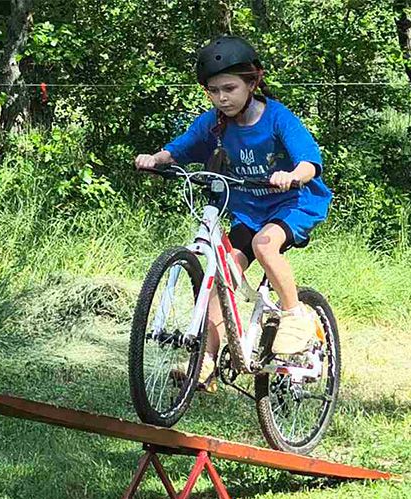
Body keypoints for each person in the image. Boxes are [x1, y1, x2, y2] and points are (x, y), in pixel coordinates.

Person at [134, 35, 332, 391]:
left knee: (264, 244)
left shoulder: (277, 118)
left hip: (294, 204)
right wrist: (156, 159)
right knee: (220, 272)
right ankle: (206, 360)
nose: (221, 98)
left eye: (229, 88)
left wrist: (292, 175)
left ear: (252, 83)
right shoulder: (213, 123)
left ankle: (294, 315)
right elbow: (179, 149)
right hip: (249, 212)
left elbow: (309, 162)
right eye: (213, 91)